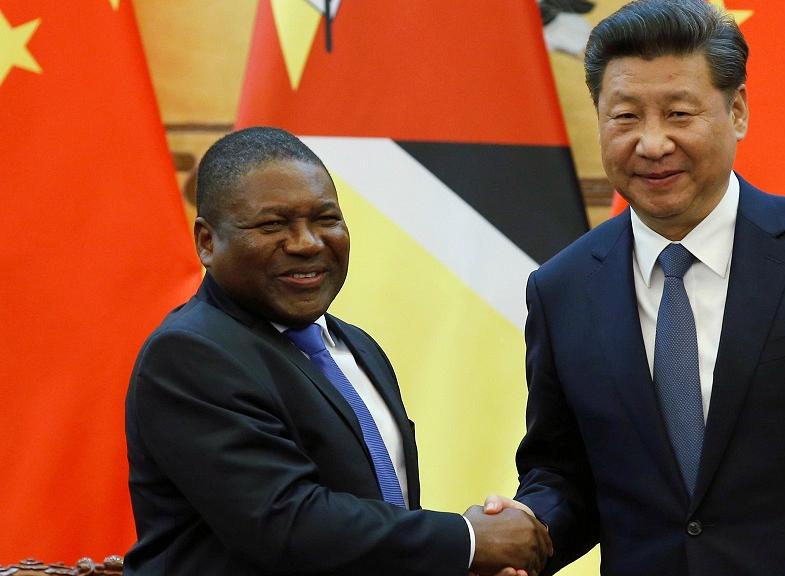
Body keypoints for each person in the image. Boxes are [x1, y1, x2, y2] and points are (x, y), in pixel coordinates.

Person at [485, 0, 785, 574]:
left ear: (736, 111)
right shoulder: (561, 288)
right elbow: (563, 470)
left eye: (679, 113)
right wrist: (525, 529)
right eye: (625, 117)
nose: (652, 143)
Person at [124, 127, 551, 576]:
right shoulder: (190, 353)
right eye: (273, 225)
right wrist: (467, 542)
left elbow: (376, 514)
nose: (307, 242)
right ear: (207, 242)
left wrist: (461, 562)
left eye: (325, 219)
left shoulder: (357, 348)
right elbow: (287, 523)